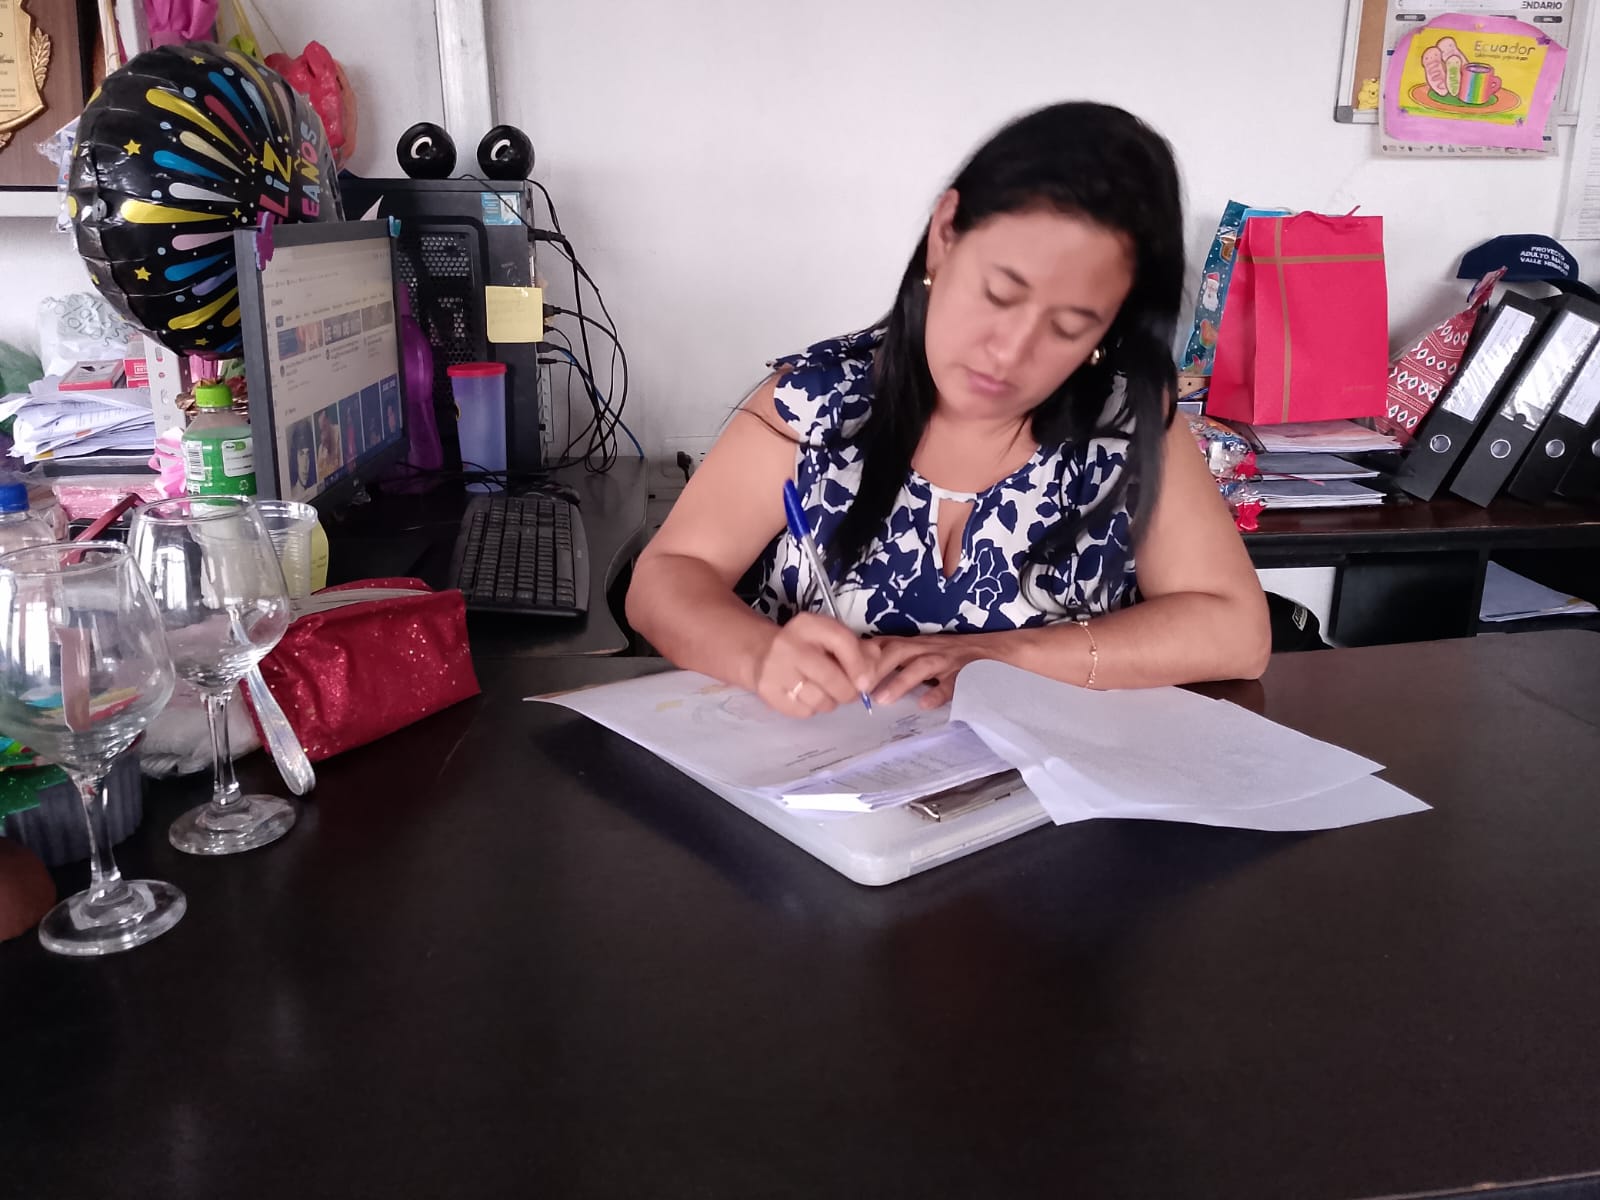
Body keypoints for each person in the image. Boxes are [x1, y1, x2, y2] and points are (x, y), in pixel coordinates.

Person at [627, 102, 1270, 719]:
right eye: (998, 293)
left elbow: (1236, 631)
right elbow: (666, 579)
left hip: (1039, 786)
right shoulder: (817, 402)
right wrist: (760, 656)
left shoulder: (1125, 421)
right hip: (812, 775)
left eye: (1070, 327)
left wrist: (1004, 655)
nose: (1009, 352)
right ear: (944, 236)